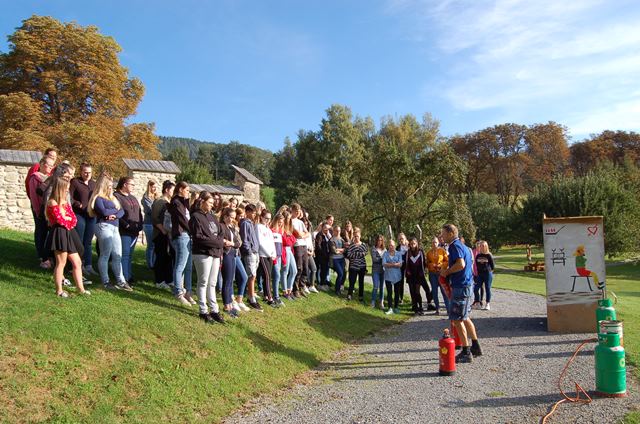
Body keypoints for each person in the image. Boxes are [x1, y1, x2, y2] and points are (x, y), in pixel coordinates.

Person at [440, 224, 482, 363]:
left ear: (451, 233)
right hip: (467, 285)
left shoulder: (454, 246)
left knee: (457, 319)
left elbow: (461, 264)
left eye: (443, 233)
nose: (442, 236)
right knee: (465, 317)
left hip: (461, 286)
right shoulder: (463, 246)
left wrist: (447, 271)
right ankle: (475, 346)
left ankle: (466, 351)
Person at [45, 176, 90, 297]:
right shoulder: (52, 202)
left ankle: (81, 289)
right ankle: (59, 290)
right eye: (66, 189)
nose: (67, 191)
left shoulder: (65, 203)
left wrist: (67, 218)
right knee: (61, 263)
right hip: (59, 233)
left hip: (69, 232)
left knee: (77, 262)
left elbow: (73, 219)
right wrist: (66, 219)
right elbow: (60, 221)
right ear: (60, 188)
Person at [88, 173, 132, 291]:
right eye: (108, 185)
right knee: (105, 254)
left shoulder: (113, 198)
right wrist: (114, 211)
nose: (110, 188)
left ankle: (121, 281)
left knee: (118, 254)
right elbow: (103, 212)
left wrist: (113, 213)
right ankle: (105, 281)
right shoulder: (98, 198)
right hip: (103, 226)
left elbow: (121, 211)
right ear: (103, 186)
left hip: (114, 227)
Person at [189, 192, 225, 323]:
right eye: (209, 202)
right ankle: (203, 310)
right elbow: (198, 237)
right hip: (202, 253)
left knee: (212, 283)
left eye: (212, 203)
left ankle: (214, 309)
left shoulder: (212, 217)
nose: (212, 205)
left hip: (215, 253)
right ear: (202, 201)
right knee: (203, 282)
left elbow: (220, 233)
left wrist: (218, 242)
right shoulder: (195, 217)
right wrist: (218, 243)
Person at [168, 182, 194, 306]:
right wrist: (192, 230)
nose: (188, 192)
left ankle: (188, 292)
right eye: (187, 190)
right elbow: (183, 220)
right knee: (180, 265)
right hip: (181, 235)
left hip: (187, 235)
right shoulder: (176, 202)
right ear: (180, 189)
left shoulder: (183, 202)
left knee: (188, 267)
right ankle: (178, 292)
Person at [114, 177, 143, 285]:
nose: (133, 186)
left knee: (130, 255)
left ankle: (129, 275)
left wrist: (141, 223)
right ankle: (124, 277)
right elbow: (117, 212)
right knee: (125, 254)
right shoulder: (117, 196)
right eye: (132, 184)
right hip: (124, 230)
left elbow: (139, 212)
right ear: (125, 184)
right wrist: (125, 225)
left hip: (135, 230)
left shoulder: (133, 198)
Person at [28, 155, 55, 269]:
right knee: (41, 233)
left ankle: (49, 257)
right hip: (40, 210)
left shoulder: (49, 177)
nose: (52, 167)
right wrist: (38, 211)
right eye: (50, 165)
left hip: (49, 210)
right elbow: (34, 197)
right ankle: (42, 258)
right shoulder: (35, 178)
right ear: (43, 165)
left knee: (49, 234)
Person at [69, 163, 97, 276]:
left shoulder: (93, 184)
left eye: (89, 172)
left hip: (91, 215)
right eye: (85, 172)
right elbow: (69, 196)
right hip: (79, 214)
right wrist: (77, 204)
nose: (87, 174)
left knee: (88, 242)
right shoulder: (75, 182)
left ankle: (88, 265)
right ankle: (78, 265)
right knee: (79, 241)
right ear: (81, 172)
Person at [151, 180, 174, 290]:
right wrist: (163, 230)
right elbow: (154, 218)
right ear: (166, 190)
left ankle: (168, 279)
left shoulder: (168, 202)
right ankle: (159, 280)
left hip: (167, 235)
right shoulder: (160, 201)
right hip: (160, 234)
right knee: (160, 257)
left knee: (167, 257)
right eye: (172, 190)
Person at [240, 203, 262, 311]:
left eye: (255, 213)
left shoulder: (251, 223)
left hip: (255, 251)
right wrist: (248, 251)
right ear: (247, 212)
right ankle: (251, 297)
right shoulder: (245, 223)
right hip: (250, 253)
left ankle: (251, 295)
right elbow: (245, 239)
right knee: (251, 275)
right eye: (252, 213)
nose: (254, 215)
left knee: (254, 275)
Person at [405, 237, 435, 315]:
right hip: (411, 275)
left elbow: (424, 262)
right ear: (409, 244)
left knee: (427, 290)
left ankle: (428, 304)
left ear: (417, 244)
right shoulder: (408, 253)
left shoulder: (420, 252)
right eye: (411, 244)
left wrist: (424, 271)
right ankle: (417, 307)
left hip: (420, 274)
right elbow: (407, 263)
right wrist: (407, 271)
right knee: (414, 292)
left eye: (414, 243)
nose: (413, 245)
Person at [220, 207, 241, 317]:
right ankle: (226, 305)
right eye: (231, 217)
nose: (232, 219)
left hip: (233, 254)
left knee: (230, 281)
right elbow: (221, 240)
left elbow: (238, 243)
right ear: (225, 216)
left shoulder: (232, 228)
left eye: (233, 217)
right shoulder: (222, 226)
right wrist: (227, 242)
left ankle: (229, 303)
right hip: (226, 254)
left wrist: (231, 243)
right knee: (227, 280)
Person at [257, 209, 277, 306]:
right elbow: (260, 242)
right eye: (266, 218)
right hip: (263, 255)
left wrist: (273, 253)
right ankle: (270, 297)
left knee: (267, 276)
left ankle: (265, 295)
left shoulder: (268, 229)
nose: (268, 220)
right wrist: (269, 253)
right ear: (261, 217)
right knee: (267, 276)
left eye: (269, 218)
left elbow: (271, 243)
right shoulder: (258, 227)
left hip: (270, 256)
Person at [231, 207, 250, 311]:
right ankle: (231, 300)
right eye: (240, 216)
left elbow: (240, 242)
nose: (242, 217)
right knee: (231, 279)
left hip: (238, 254)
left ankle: (239, 299)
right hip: (230, 254)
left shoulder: (238, 226)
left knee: (244, 276)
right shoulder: (231, 226)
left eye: (243, 216)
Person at [291, 203, 310, 297]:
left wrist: (302, 235)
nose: (298, 213)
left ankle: (302, 286)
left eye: (299, 211)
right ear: (293, 211)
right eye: (297, 211)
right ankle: (295, 289)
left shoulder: (300, 222)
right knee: (299, 268)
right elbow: (297, 234)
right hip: (297, 245)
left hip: (304, 246)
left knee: (305, 268)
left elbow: (307, 233)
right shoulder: (291, 221)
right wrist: (302, 235)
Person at [427, 236, 449, 314]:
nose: (434, 244)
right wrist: (431, 265)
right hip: (432, 274)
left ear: (438, 243)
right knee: (434, 291)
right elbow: (427, 263)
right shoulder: (429, 252)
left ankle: (448, 309)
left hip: (441, 273)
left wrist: (441, 265)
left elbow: (447, 261)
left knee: (444, 291)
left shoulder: (442, 251)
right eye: (432, 242)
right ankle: (437, 308)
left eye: (435, 242)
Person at [345, 227, 367, 302]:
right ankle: (349, 295)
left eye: (358, 236)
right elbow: (349, 255)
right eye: (355, 236)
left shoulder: (363, 245)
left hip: (362, 266)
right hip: (353, 266)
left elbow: (365, 253)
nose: (356, 237)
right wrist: (359, 254)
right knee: (352, 281)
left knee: (361, 282)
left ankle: (361, 296)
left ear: (360, 236)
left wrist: (355, 254)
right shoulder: (351, 245)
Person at [141, 180, 159, 269]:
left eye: (156, 187)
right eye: (153, 187)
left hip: (156, 224)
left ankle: (155, 263)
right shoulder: (145, 198)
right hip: (149, 224)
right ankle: (150, 264)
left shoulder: (156, 197)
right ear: (149, 187)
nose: (155, 189)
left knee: (155, 245)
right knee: (151, 245)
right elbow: (150, 210)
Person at [280, 210, 298, 300]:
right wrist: (290, 239)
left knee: (294, 270)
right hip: (284, 250)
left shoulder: (289, 228)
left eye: (290, 218)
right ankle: (284, 291)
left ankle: (289, 290)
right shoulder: (281, 228)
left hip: (289, 250)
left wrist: (290, 239)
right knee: (285, 271)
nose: (289, 220)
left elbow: (294, 240)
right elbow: (286, 241)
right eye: (288, 218)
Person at [382, 240, 403, 314]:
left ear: (395, 245)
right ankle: (390, 308)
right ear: (388, 246)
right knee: (389, 292)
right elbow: (384, 264)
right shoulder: (385, 254)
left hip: (397, 276)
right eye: (390, 245)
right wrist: (394, 264)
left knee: (397, 292)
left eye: (393, 245)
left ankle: (396, 307)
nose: (391, 247)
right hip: (388, 276)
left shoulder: (399, 254)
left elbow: (400, 264)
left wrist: (390, 264)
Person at [270, 213, 286, 306]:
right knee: (276, 276)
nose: (280, 224)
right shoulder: (271, 231)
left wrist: (283, 258)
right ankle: (276, 296)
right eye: (279, 222)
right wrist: (274, 257)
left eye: (282, 222)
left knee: (277, 276)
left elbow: (281, 247)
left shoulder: (280, 232)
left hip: (279, 256)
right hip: (274, 257)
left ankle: (275, 295)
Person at [474, 241, 495, 310]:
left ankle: (487, 304)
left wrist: (489, 272)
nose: (482, 247)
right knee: (476, 288)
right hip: (480, 274)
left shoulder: (489, 255)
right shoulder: (478, 255)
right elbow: (477, 265)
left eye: (483, 246)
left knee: (487, 288)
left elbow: (492, 266)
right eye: (481, 246)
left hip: (487, 274)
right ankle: (478, 303)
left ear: (486, 246)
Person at [314, 223, 332, 292]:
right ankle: (320, 284)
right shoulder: (319, 235)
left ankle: (323, 283)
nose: (326, 229)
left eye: (328, 228)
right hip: (321, 256)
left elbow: (330, 242)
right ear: (322, 227)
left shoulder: (327, 235)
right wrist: (323, 253)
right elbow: (318, 246)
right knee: (322, 270)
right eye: (325, 227)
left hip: (326, 256)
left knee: (325, 270)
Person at [370, 234, 386, 309]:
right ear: (376, 241)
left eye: (381, 240)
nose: (379, 242)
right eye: (378, 240)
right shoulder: (373, 249)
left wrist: (384, 260)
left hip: (383, 271)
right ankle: (373, 302)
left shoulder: (385, 250)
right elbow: (374, 259)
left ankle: (381, 302)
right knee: (376, 286)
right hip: (375, 270)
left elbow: (387, 259)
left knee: (382, 287)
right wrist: (383, 259)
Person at [330, 225, 346, 295]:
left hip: (342, 259)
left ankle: (338, 288)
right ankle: (337, 290)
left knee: (342, 274)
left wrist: (339, 250)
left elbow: (345, 249)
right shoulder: (331, 240)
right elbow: (334, 251)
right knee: (340, 273)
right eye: (336, 230)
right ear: (333, 231)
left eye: (339, 231)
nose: (338, 232)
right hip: (335, 259)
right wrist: (341, 250)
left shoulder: (341, 239)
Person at [397, 232, 409, 304]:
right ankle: (400, 298)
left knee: (411, 283)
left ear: (405, 239)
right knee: (400, 283)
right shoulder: (398, 248)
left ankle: (415, 300)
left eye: (402, 238)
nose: (401, 240)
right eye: (400, 239)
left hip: (408, 267)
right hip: (400, 267)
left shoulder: (409, 247)